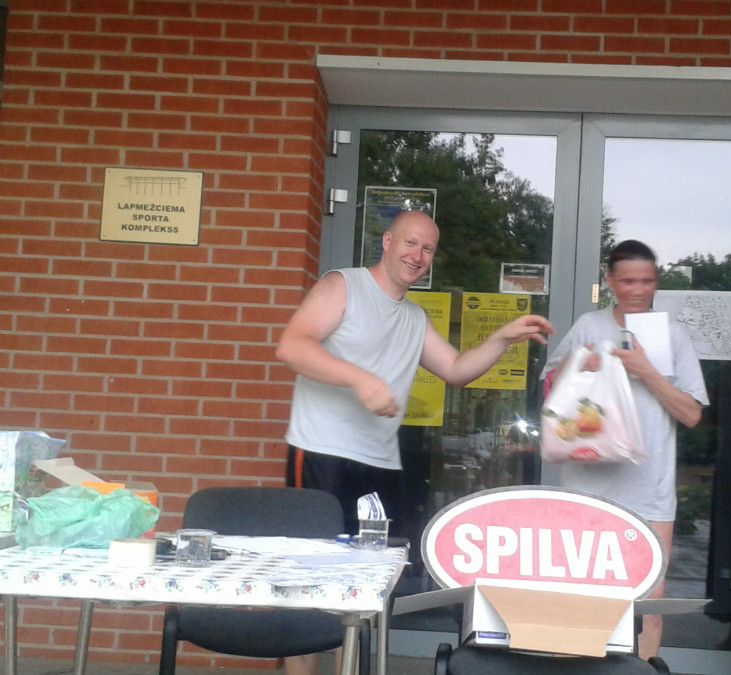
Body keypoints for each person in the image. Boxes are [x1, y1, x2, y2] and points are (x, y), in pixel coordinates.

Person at [275, 209, 555, 675]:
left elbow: (456, 369)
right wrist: (360, 379)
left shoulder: (413, 316)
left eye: (427, 249)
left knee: (362, 590)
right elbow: (293, 346)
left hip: (379, 464)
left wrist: (503, 337)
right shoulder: (342, 285)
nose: (418, 255)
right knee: (309, 585)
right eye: (410, 243)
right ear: (387, 242)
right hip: (322, 452)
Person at [541, 239, 708, 660]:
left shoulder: (672, 334)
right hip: (587, 486)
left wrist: (646, 371)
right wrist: (577, 366)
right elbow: (549, 394)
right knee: (579, 598)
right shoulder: (588, 325)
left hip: (649, 488)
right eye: (629, 280)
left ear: (657, 282)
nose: (638, 290)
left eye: (647, 281)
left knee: (648, 607)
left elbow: (691, 414)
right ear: (610, 281)